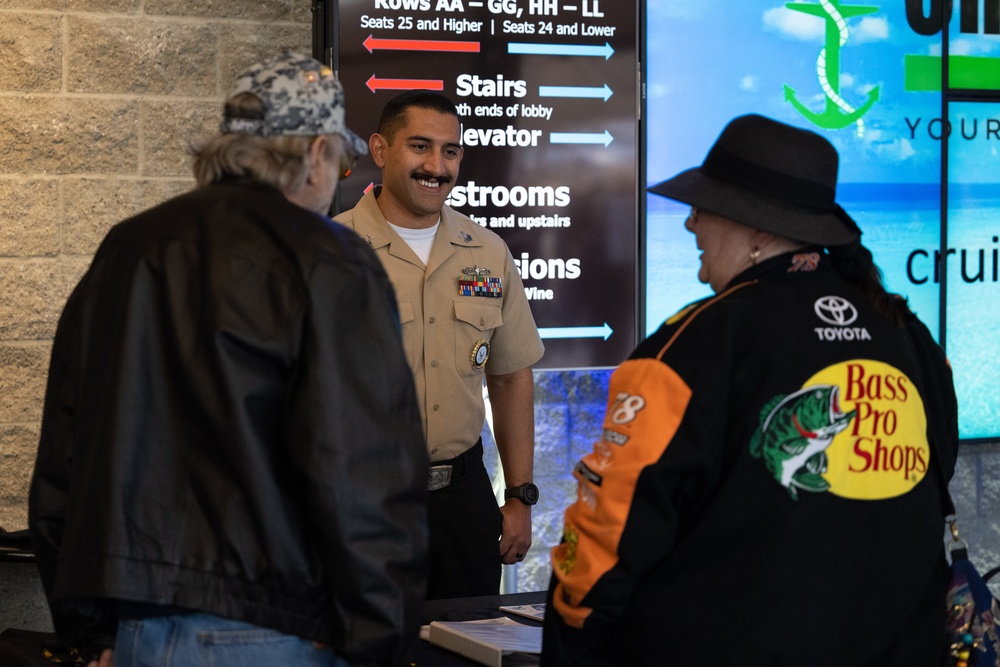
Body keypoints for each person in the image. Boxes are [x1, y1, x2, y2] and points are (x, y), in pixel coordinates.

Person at [28, 50, 429, 667]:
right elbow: (361, 469)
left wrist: (88, 632)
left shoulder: (128, 248)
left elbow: (65, 450)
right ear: (318, 153)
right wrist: (383, 640)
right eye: (342, 160)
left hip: (135, 633)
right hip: (278, 632)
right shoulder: (330, 260)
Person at [542, 114, 958, 666]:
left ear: (758, 230)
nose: (690, 222)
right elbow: (931, 483)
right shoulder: (907, 333)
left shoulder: (698, 341)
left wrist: (573, 638)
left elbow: (611, 531)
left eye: (703, 206)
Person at [335, 91, 544, 599]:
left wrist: (518, 496)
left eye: (450, 151)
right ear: (381, 150)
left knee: (468, 646)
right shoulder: (330, 251)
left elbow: (511, 374)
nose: (436, 166)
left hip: (463, 501)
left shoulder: (488, 252)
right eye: (421, 147)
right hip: (361, 499)